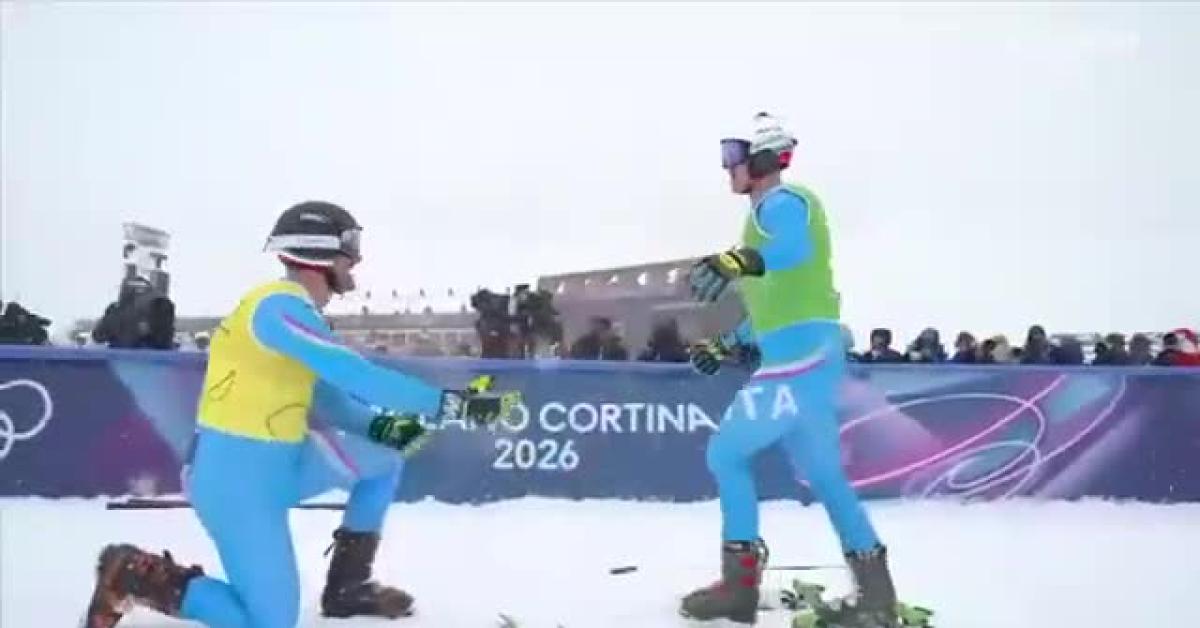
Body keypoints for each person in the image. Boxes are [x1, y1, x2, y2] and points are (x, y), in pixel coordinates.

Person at [83, 201, 521, 628]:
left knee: (386, 453)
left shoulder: (298, 316)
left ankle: (347, 589)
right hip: (236, 482)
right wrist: (449, 405)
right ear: (320, 252)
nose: (357, 259)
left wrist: (384, 426)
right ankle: (130, 573)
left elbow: (328, 399)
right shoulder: (276, 307)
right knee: (270, 622)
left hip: (280, 465)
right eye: (351, 246)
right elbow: (353, 373)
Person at [682, 113, 900, 626]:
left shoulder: (783, 203)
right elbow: (780, 309)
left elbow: (791, 250)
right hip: (805, 352)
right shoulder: (761, 221)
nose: (726, 167)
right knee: (825, 475)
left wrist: (737, 262)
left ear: (759, 159)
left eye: (733, 155)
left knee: (727, 453)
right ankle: (876, 595)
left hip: (799, 361)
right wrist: (729, 344)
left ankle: (739, 588)